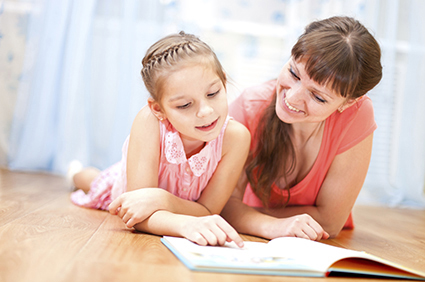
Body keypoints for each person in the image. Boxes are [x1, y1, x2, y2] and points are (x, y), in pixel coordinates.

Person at [70, 31, 251, 247]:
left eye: (213, 93)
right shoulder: (149, 121)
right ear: (159, 109)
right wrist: (184, 224)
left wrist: (161, 199)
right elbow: (137, 210)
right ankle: (74, 172)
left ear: (223, 81)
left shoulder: (237, 138)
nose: (205, 111)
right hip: (125, 187)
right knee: (94, 182)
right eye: (184, 105)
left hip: (168, 203)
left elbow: (208, 210)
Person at [220, 16, 383, 240]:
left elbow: (330, 222)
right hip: (253, 239)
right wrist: (272, 226)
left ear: (348, 103)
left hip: (324, 245)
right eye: (294, 73)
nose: (293, 98)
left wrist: (245, 215)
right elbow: (221, 205)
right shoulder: (249, 107)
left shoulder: (357, 115)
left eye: (318, 97)